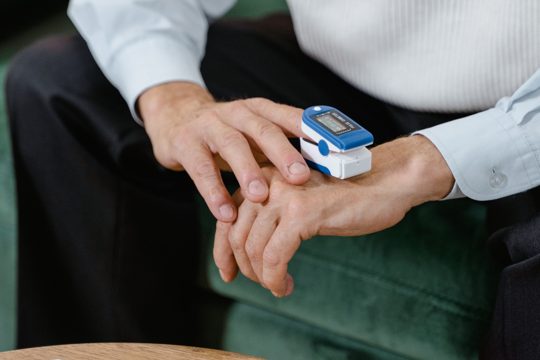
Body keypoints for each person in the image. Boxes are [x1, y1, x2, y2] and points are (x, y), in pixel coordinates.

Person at [5, 0, 540, 358]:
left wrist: (419, 164)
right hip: (345, 73)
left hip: (525, 110)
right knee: (62, 88)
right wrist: (174, 100)